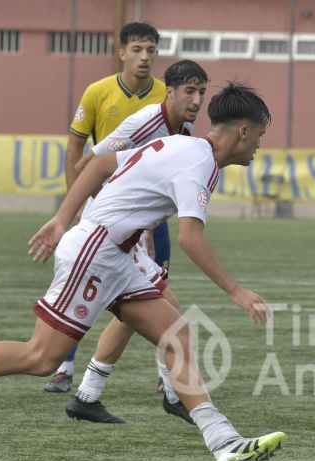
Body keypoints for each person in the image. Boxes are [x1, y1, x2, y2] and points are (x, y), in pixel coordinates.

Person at [0, 82, 286, 461]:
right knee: (42, 357)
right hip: (97, 251)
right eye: (260, 136)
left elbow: (100, 163)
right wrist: (236, 291)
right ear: (243, 131)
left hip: (119, 253)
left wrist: (63, 219)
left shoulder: (187, 148)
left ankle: (224, 442)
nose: (259, 146)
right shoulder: (198, 162)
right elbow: (190, 237)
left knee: (177, 334)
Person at [64, 59, 209, 425]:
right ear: (170, 92)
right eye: (189, 91)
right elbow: (88, 165)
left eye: (201, 92)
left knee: (155, 305)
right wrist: (92, 208)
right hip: (111, 230)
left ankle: (88, 395)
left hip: (137, 227)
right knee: (158, 306)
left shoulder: (185, 127)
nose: (195, 100)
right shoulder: (144, 121)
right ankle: (173, 395)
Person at [45, 21, 167, 394]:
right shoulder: (98, 93)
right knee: (81, 287)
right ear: (122, 53)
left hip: (149, 214)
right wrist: (75, 206)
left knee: (154, 290)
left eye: (150, 50)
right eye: (136, 50)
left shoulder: (168, 94)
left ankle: (169, 375)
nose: (144, 57)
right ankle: (64, 365)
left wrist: (152, 221)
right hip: (105, 210)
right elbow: (75, 149)